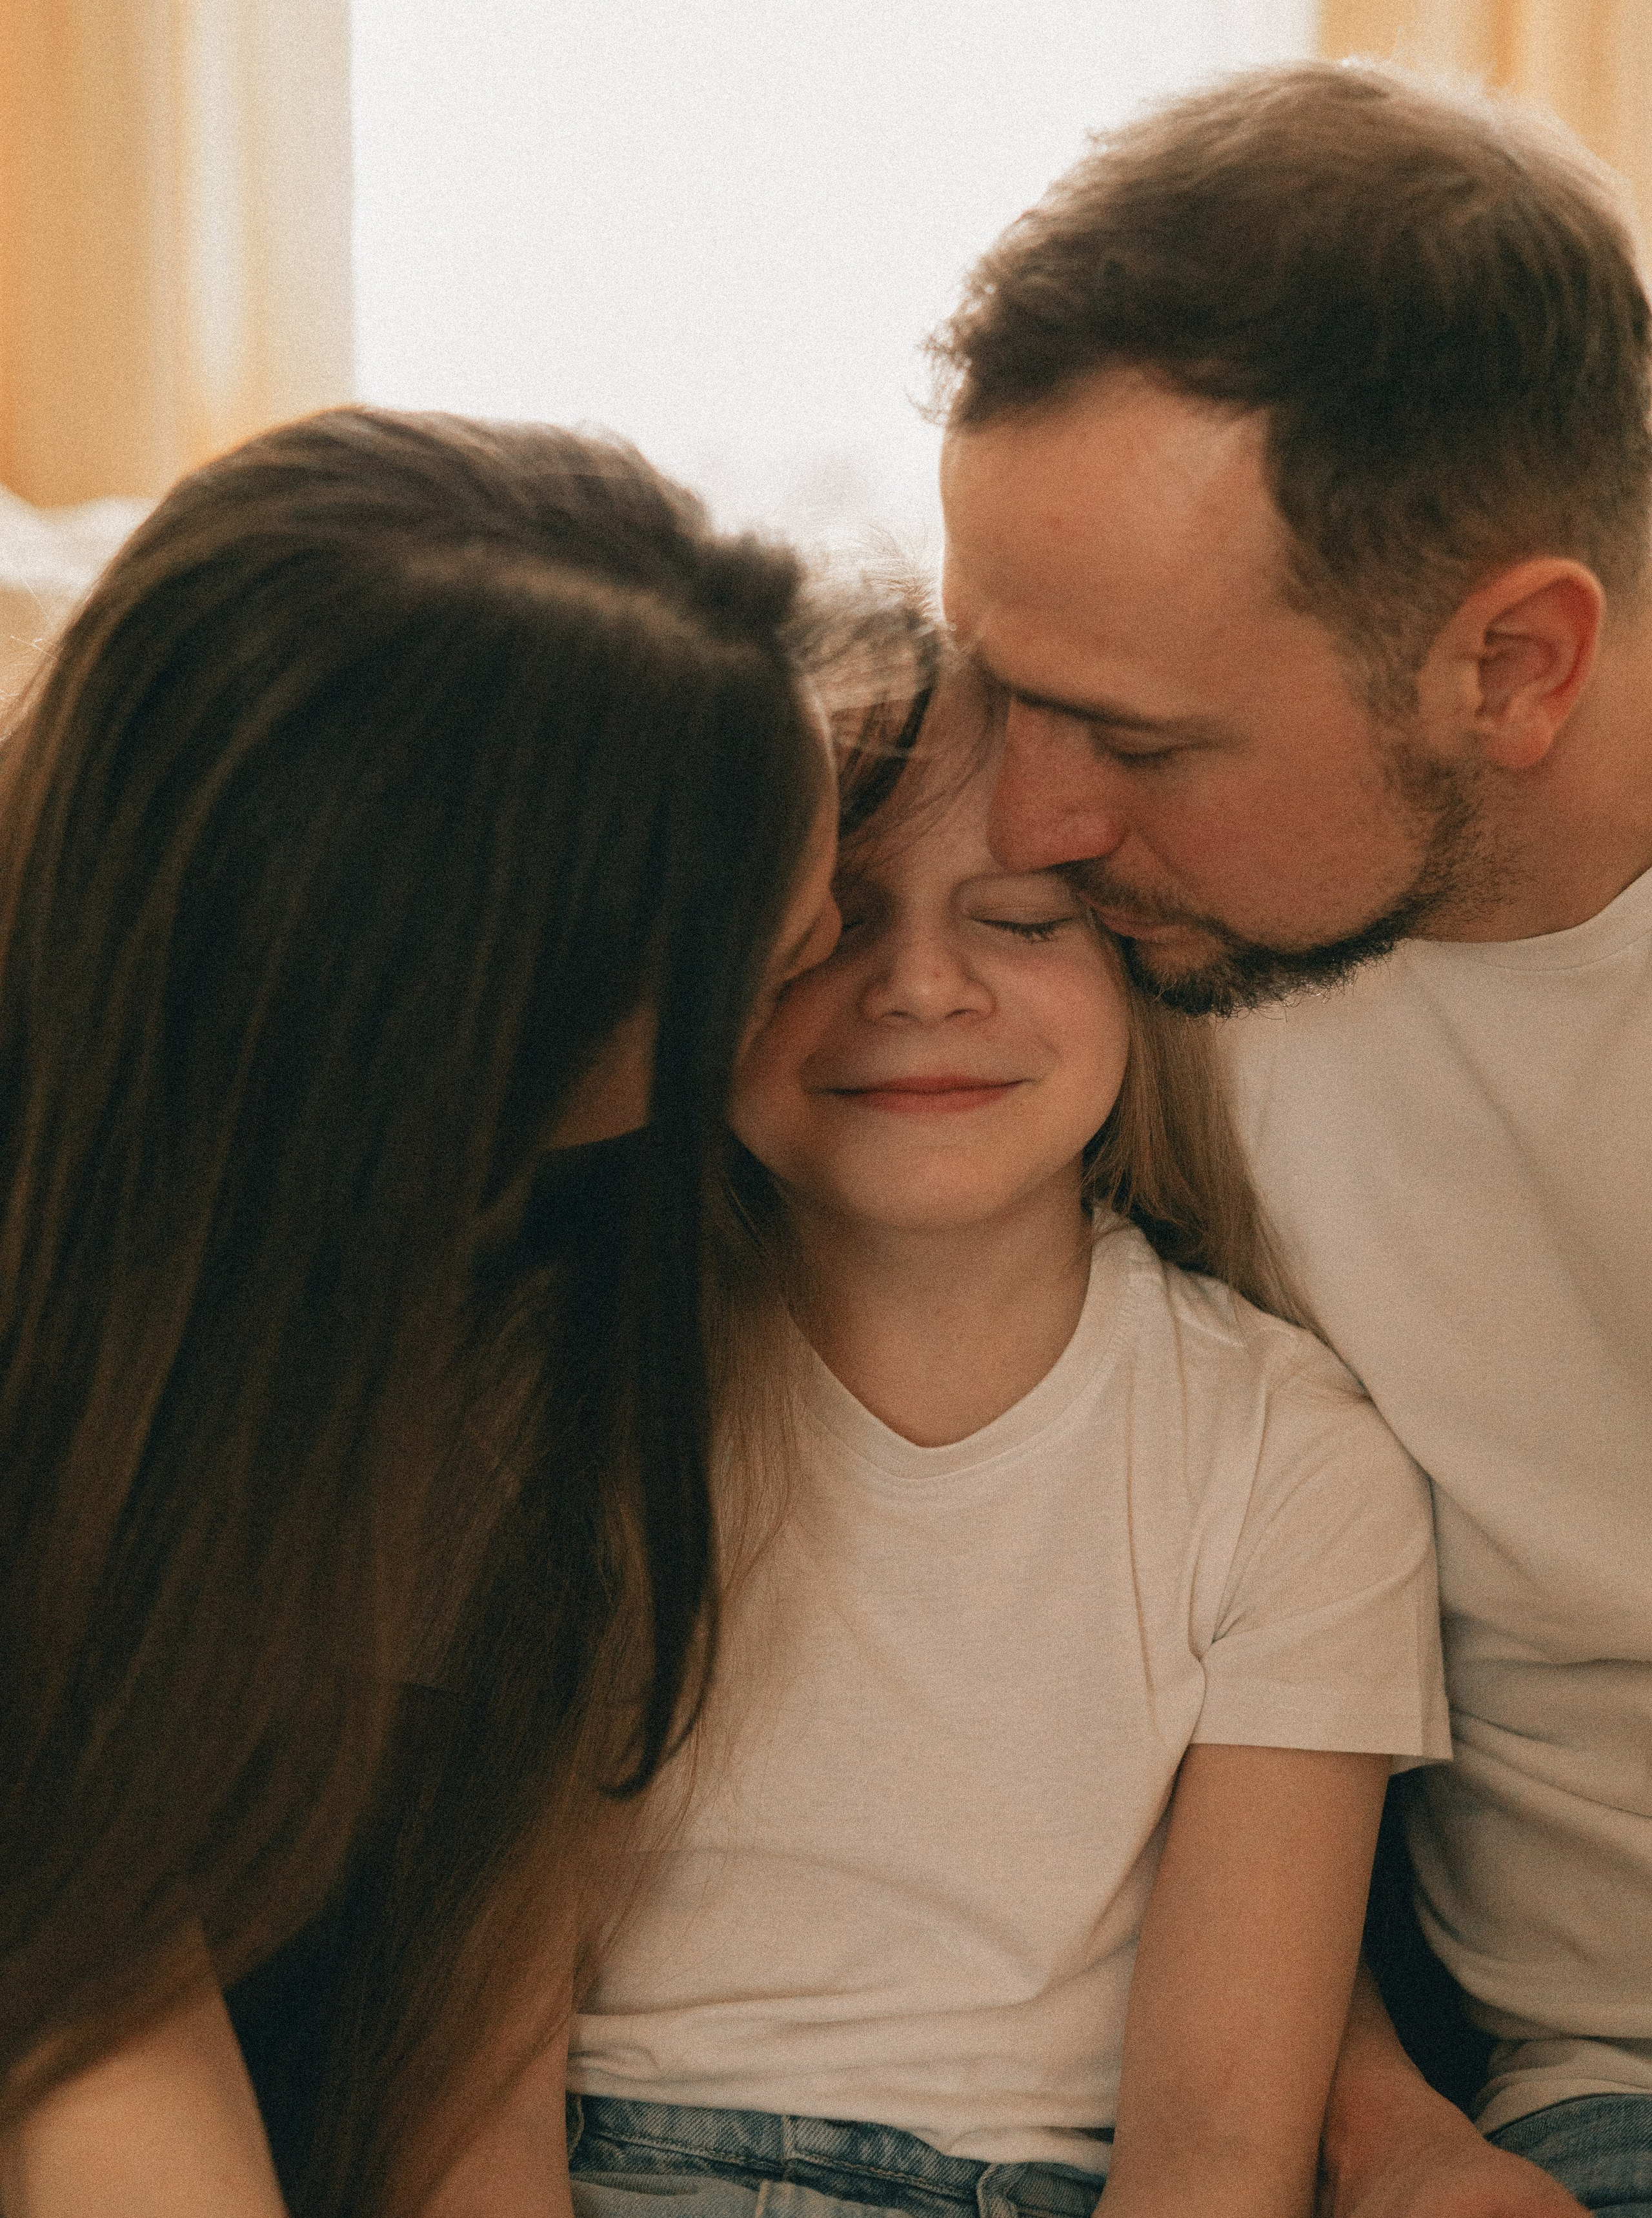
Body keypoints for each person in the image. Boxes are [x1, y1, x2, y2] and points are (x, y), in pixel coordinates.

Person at [931, 57, 1652, 2218]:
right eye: (1006, 688)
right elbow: (1166, 1644)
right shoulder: (1121, 983)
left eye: (1139, 740)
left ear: (1512, 664)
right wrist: (1385, 2123)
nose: (1033, 825)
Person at [0, 404, 857, 2218]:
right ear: (482, 1031)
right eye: (759, 957)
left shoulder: (537, 1267)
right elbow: (85, 1922)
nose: (847, 942)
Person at [536, 680, 1451, 2218]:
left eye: (1021, 919)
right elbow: (449, 2098)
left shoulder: (1287, 1460)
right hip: (609, 2165)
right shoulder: (569, 1395)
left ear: (1139, 974)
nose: (916, 986)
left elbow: (1219, 2146)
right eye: (828, 926)